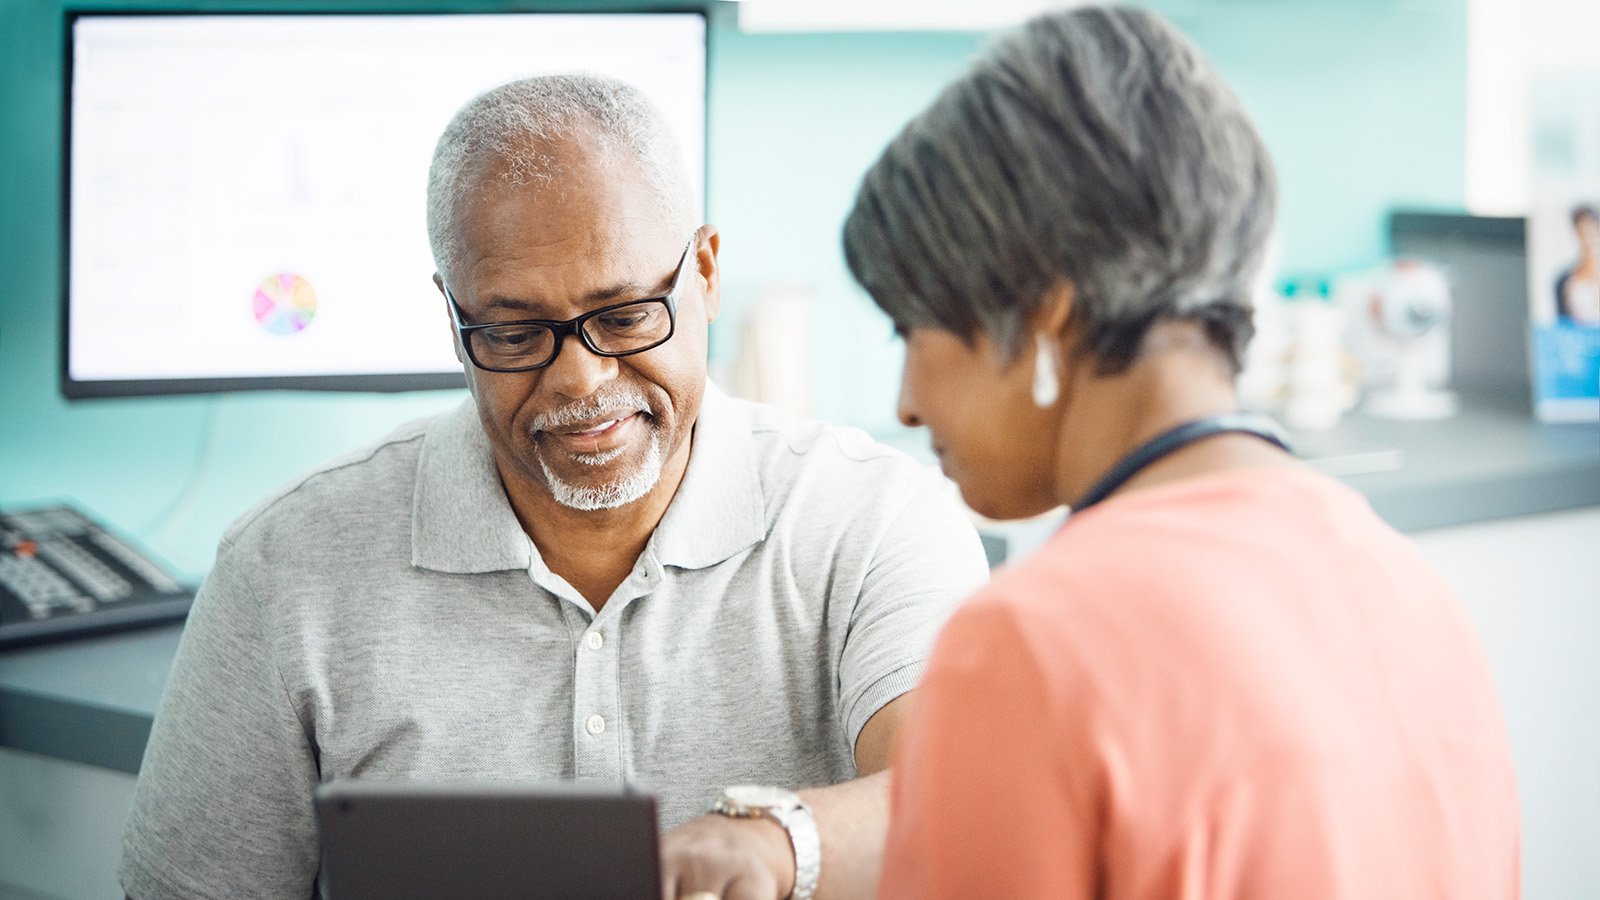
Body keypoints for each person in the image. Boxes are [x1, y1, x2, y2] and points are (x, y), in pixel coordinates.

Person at [119, 74, 989, 900]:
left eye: (625, 316)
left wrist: (776, 838)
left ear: (708, 273)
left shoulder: (874, 520)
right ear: (454, 321)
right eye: (514, 332)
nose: (580, 379)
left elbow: (963, 802)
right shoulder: (284, 567)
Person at [842, 8, 1520, 899]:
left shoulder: (1024, 650)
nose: (905, 398)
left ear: (1046, 308)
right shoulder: (1418, 599)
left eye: (910, 329)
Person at [1554, 203, 1600, 326]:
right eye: (1582, 232)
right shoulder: (1565, 280)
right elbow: (1562, 324)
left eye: (1592, 231)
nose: (1588, 239)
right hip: (1581, 341)